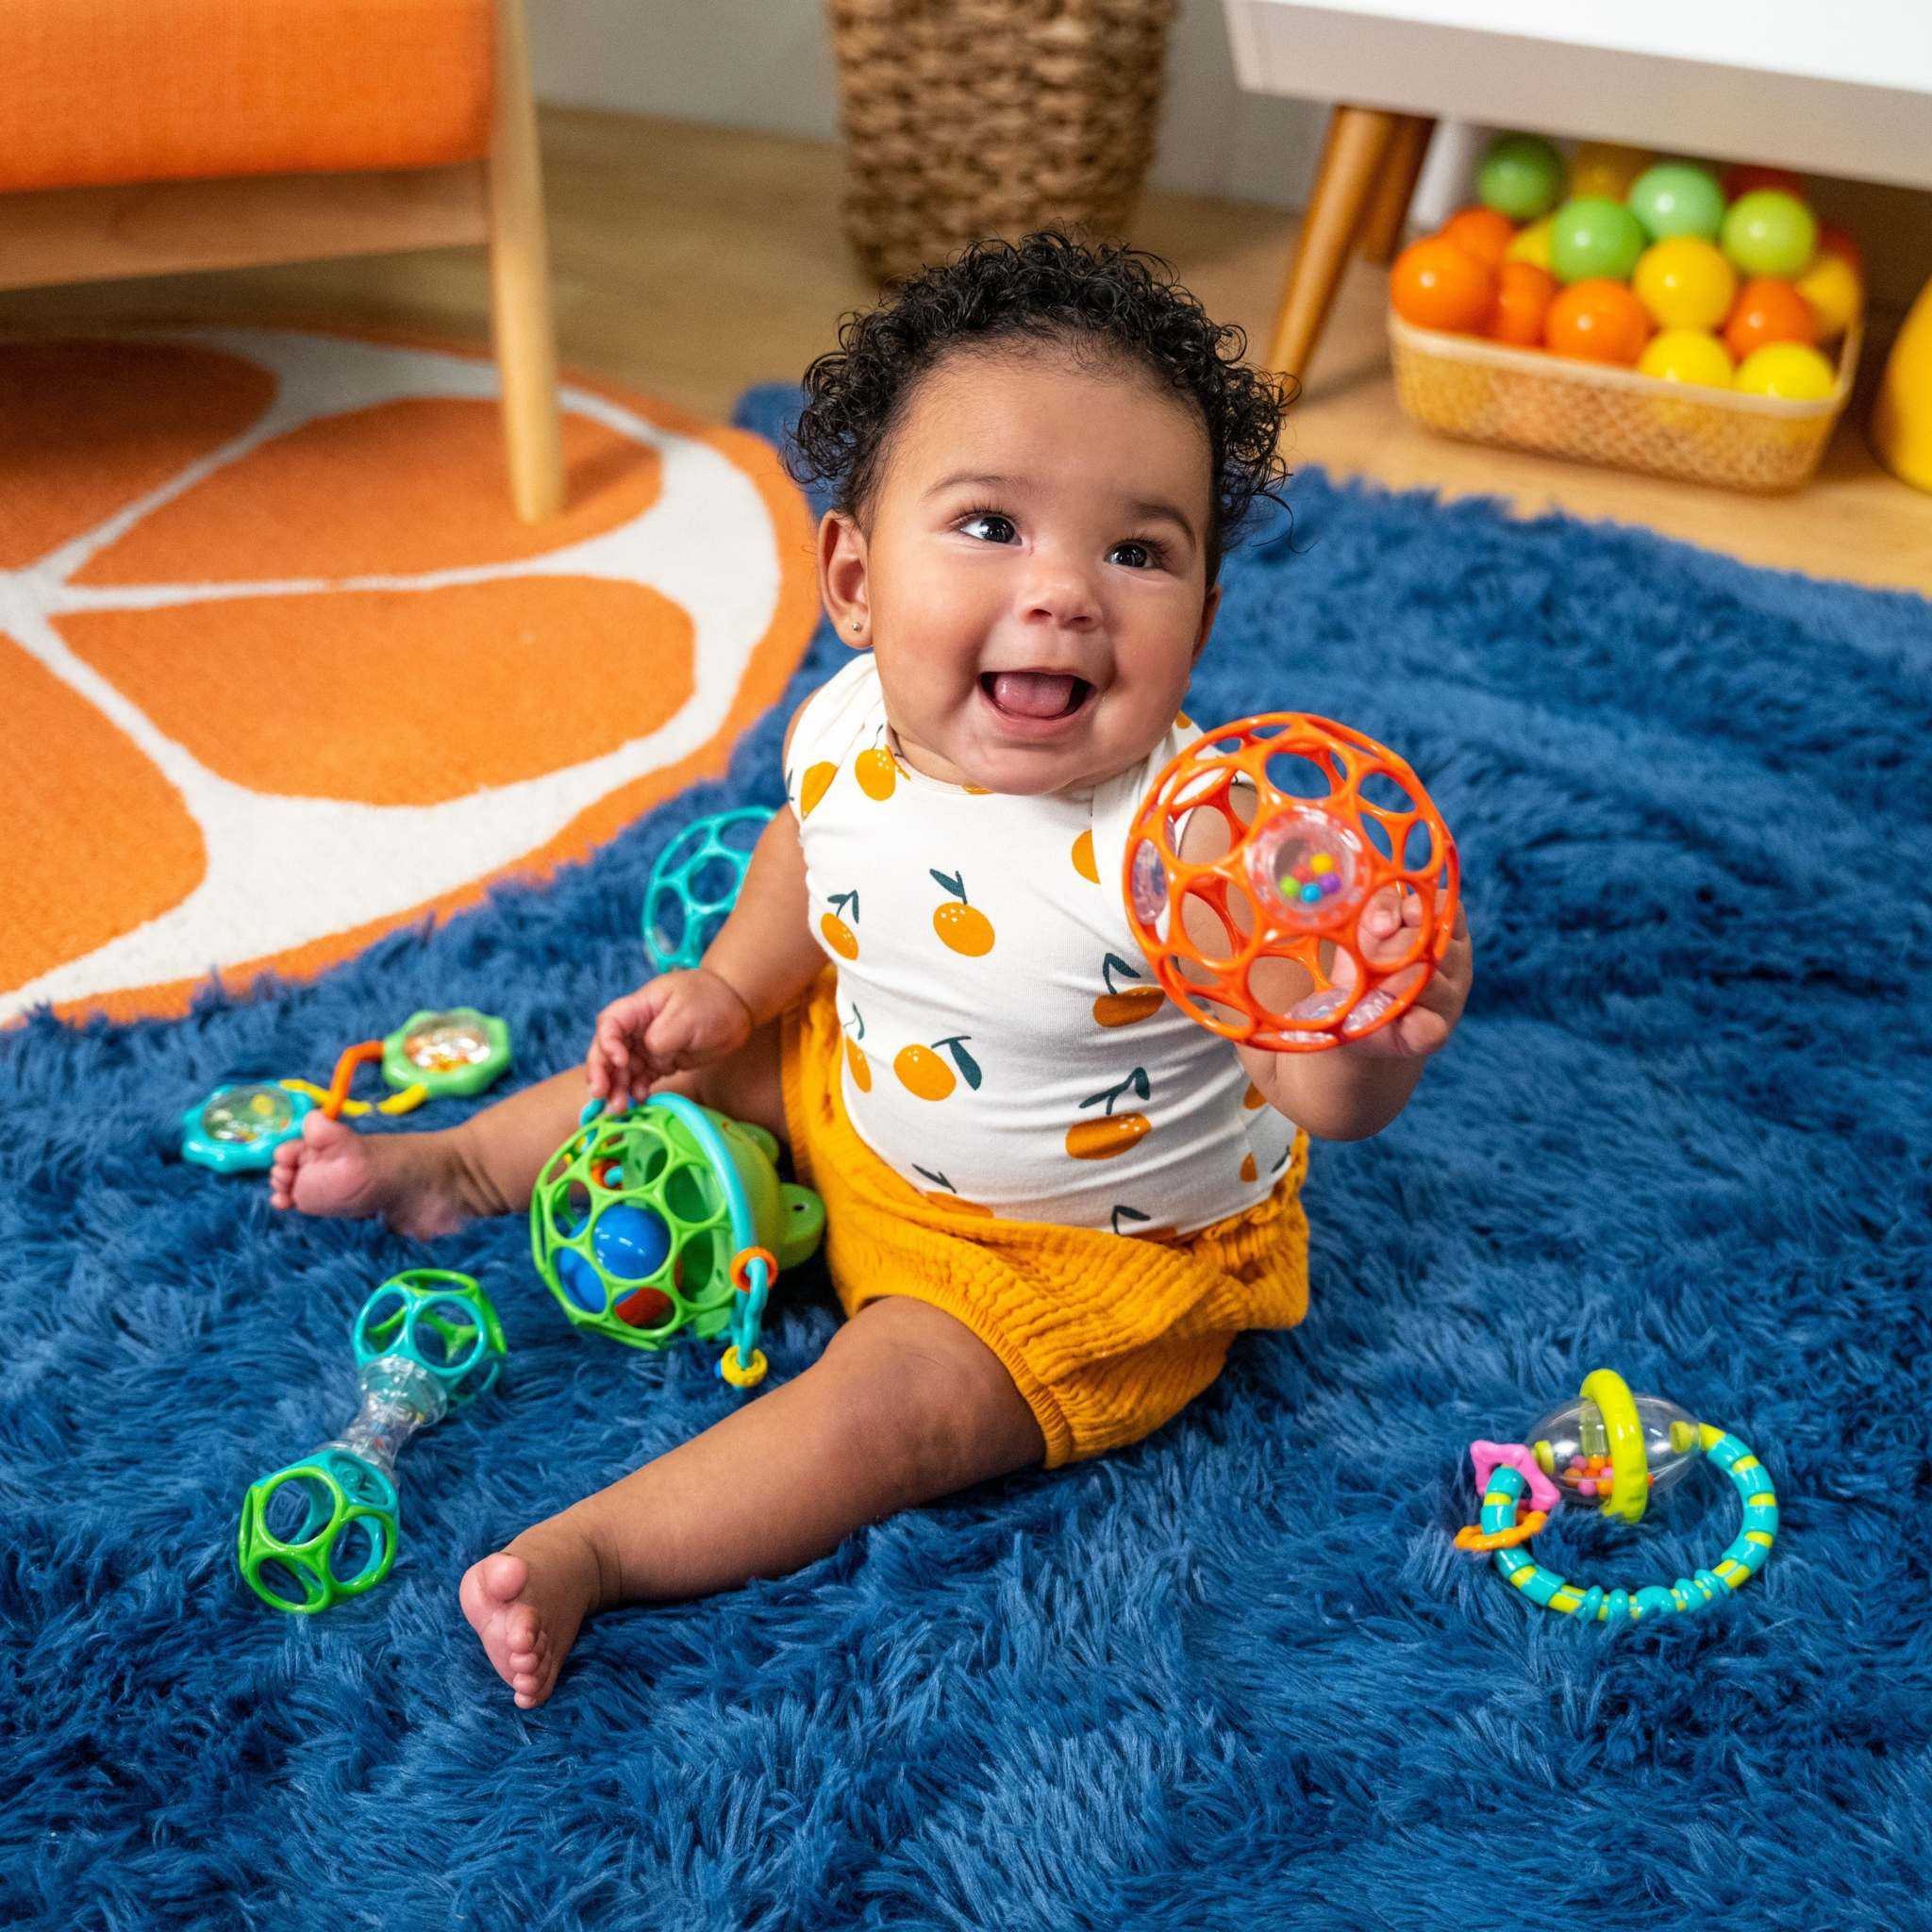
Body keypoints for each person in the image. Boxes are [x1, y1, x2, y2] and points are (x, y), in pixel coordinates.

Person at [271, 231, 1474, 1708]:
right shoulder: (847, 720)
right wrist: (729, 986)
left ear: (1205, 619)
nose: (1064, 594)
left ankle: (601, 1549)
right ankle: (454, 1164)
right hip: (869, 1075)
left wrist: (1373, 1031)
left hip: (1073, 1256)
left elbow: (1314, 1090)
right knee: (689, 1061)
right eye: (989, 527)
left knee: (889, 1411)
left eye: (1138, 551)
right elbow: (808, 853)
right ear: (852, 575)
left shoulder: (1200, 842)